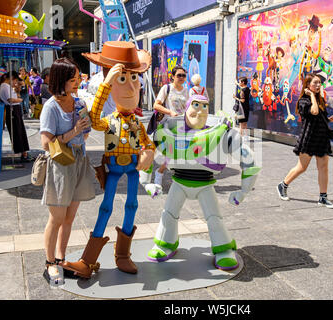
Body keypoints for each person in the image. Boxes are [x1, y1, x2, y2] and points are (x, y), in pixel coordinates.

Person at [63, 41, 158, 278]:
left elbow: (148, 141)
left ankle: (123, 254)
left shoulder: (136, 122)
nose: (131, 87)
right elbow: (94, 120)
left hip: (132, 169)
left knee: (132, 205)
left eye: (134, 79)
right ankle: (88, 260)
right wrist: (105, 86)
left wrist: (149, 151)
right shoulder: (110, 120)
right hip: (114, 169)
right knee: (105, 207)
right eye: (123, 79)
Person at [146, 95, 261, 270]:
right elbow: (146, 155)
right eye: (196, 105)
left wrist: (244, 190)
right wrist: (147, 182)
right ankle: (165, 243)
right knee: (168, 214)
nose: (200, 111)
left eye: (204, 106)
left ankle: (223, 249)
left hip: (205, 184)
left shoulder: (222, 133)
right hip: (179, 181)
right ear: (186, 107)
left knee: (214, 219)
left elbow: (249, 160)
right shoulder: (168, 131)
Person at [39, 58, 95, 286]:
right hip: (61, 165)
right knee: (57, 218)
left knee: (70, 218)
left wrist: (85, 126)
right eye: (73, 79)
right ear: (62, 80)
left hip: (79, 161)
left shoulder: (79, 102)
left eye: (79, 78)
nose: (78, 82)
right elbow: (45, 143)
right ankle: (50, 263)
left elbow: (86, 134)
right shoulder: (51, 107)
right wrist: (74, 131)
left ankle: (61, 259)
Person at [277, 74, 333, 208]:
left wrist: (329, 119)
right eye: (315, 83)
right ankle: (283, 185)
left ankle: (323, 197)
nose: (318, 85)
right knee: (302, 167)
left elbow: (319, 117)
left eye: (319, 83)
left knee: (323, 168)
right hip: (309, 138)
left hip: (322, 138)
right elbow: (314, 112)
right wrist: (311, 95)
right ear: (308, 85)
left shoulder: (320, 99)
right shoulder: (304, 101)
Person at [152, 66, 189, 186]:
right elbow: (156, 105)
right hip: (169, 125)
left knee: (182, 153)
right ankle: (159, 173)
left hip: (182, 125)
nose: (182, 78)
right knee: (171, 153)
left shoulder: (186, 90)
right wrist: (170, 112)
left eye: (184, 75)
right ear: (172, 76)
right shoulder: (166, 88)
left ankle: (176, 177)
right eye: (179, 75)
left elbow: (188, 108)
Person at [0, 71, 33, 162]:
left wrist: (17, 91)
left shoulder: (6, 86)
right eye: (15, 81)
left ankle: (24, 152)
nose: (15, 83)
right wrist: (19, 100)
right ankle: (23, 153)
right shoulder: (5, 86)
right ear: (11, 78)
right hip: (12, 110)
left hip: (14, 109)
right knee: (17, 132)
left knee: (20, 131)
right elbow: (10, 99)